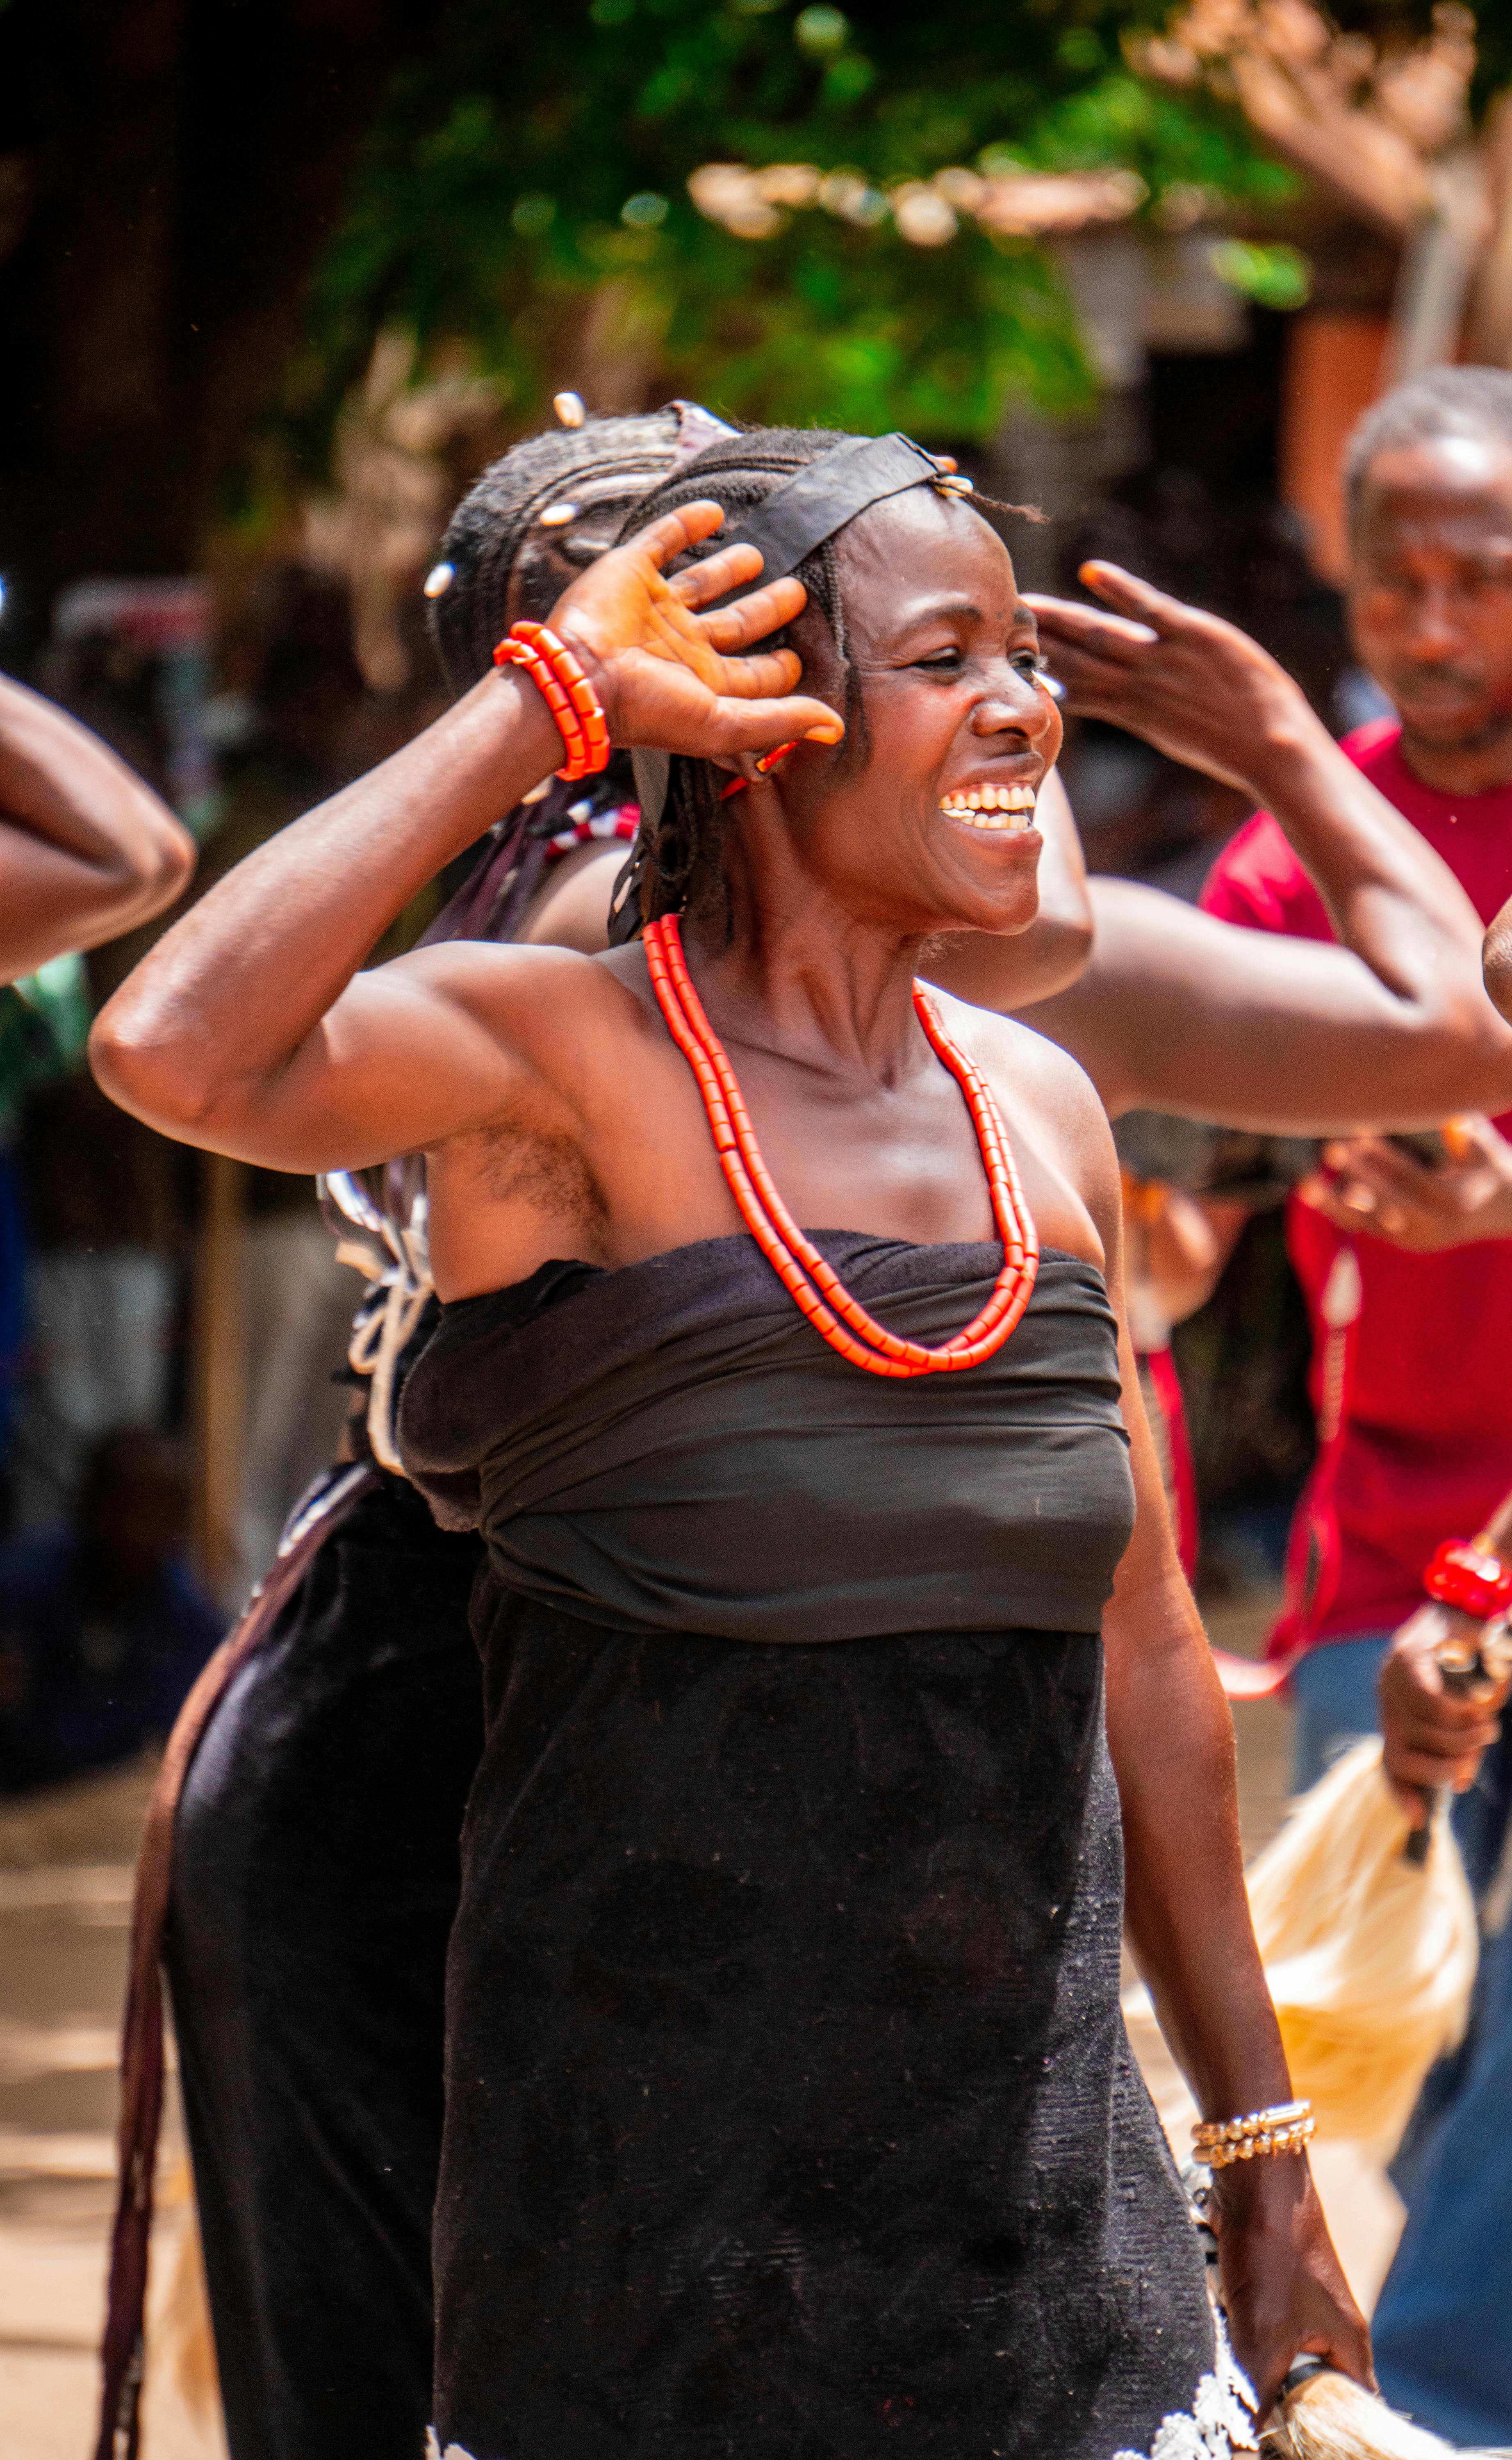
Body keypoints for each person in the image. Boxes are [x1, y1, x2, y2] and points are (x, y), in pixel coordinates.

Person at [92, 421, 1369, 2455]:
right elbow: (171, 1043)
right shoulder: (554, 1063)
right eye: (947, 657)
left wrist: (1261, 2146)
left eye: (1016, 655)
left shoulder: (1033, 1108)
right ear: (768, 720)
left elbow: (1135, 1663)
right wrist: (547, 705)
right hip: (642, 2260)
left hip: (1032, 2242)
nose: (1022, 705)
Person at [1143, 364, 1512, 1788]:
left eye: (1474, 581)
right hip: (1381, 1549)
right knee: (1375, 2012)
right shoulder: (1286, 861)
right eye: (1387, 584)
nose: (1429, 629)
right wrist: (1100, 1229)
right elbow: (1186, 1245)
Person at [0, 1428, 221, 1791]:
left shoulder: (194, 1627)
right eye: (127, 1504)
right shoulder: (18, 1591)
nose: (140, 1529)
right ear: (87, 1502)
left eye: (161, 1511)